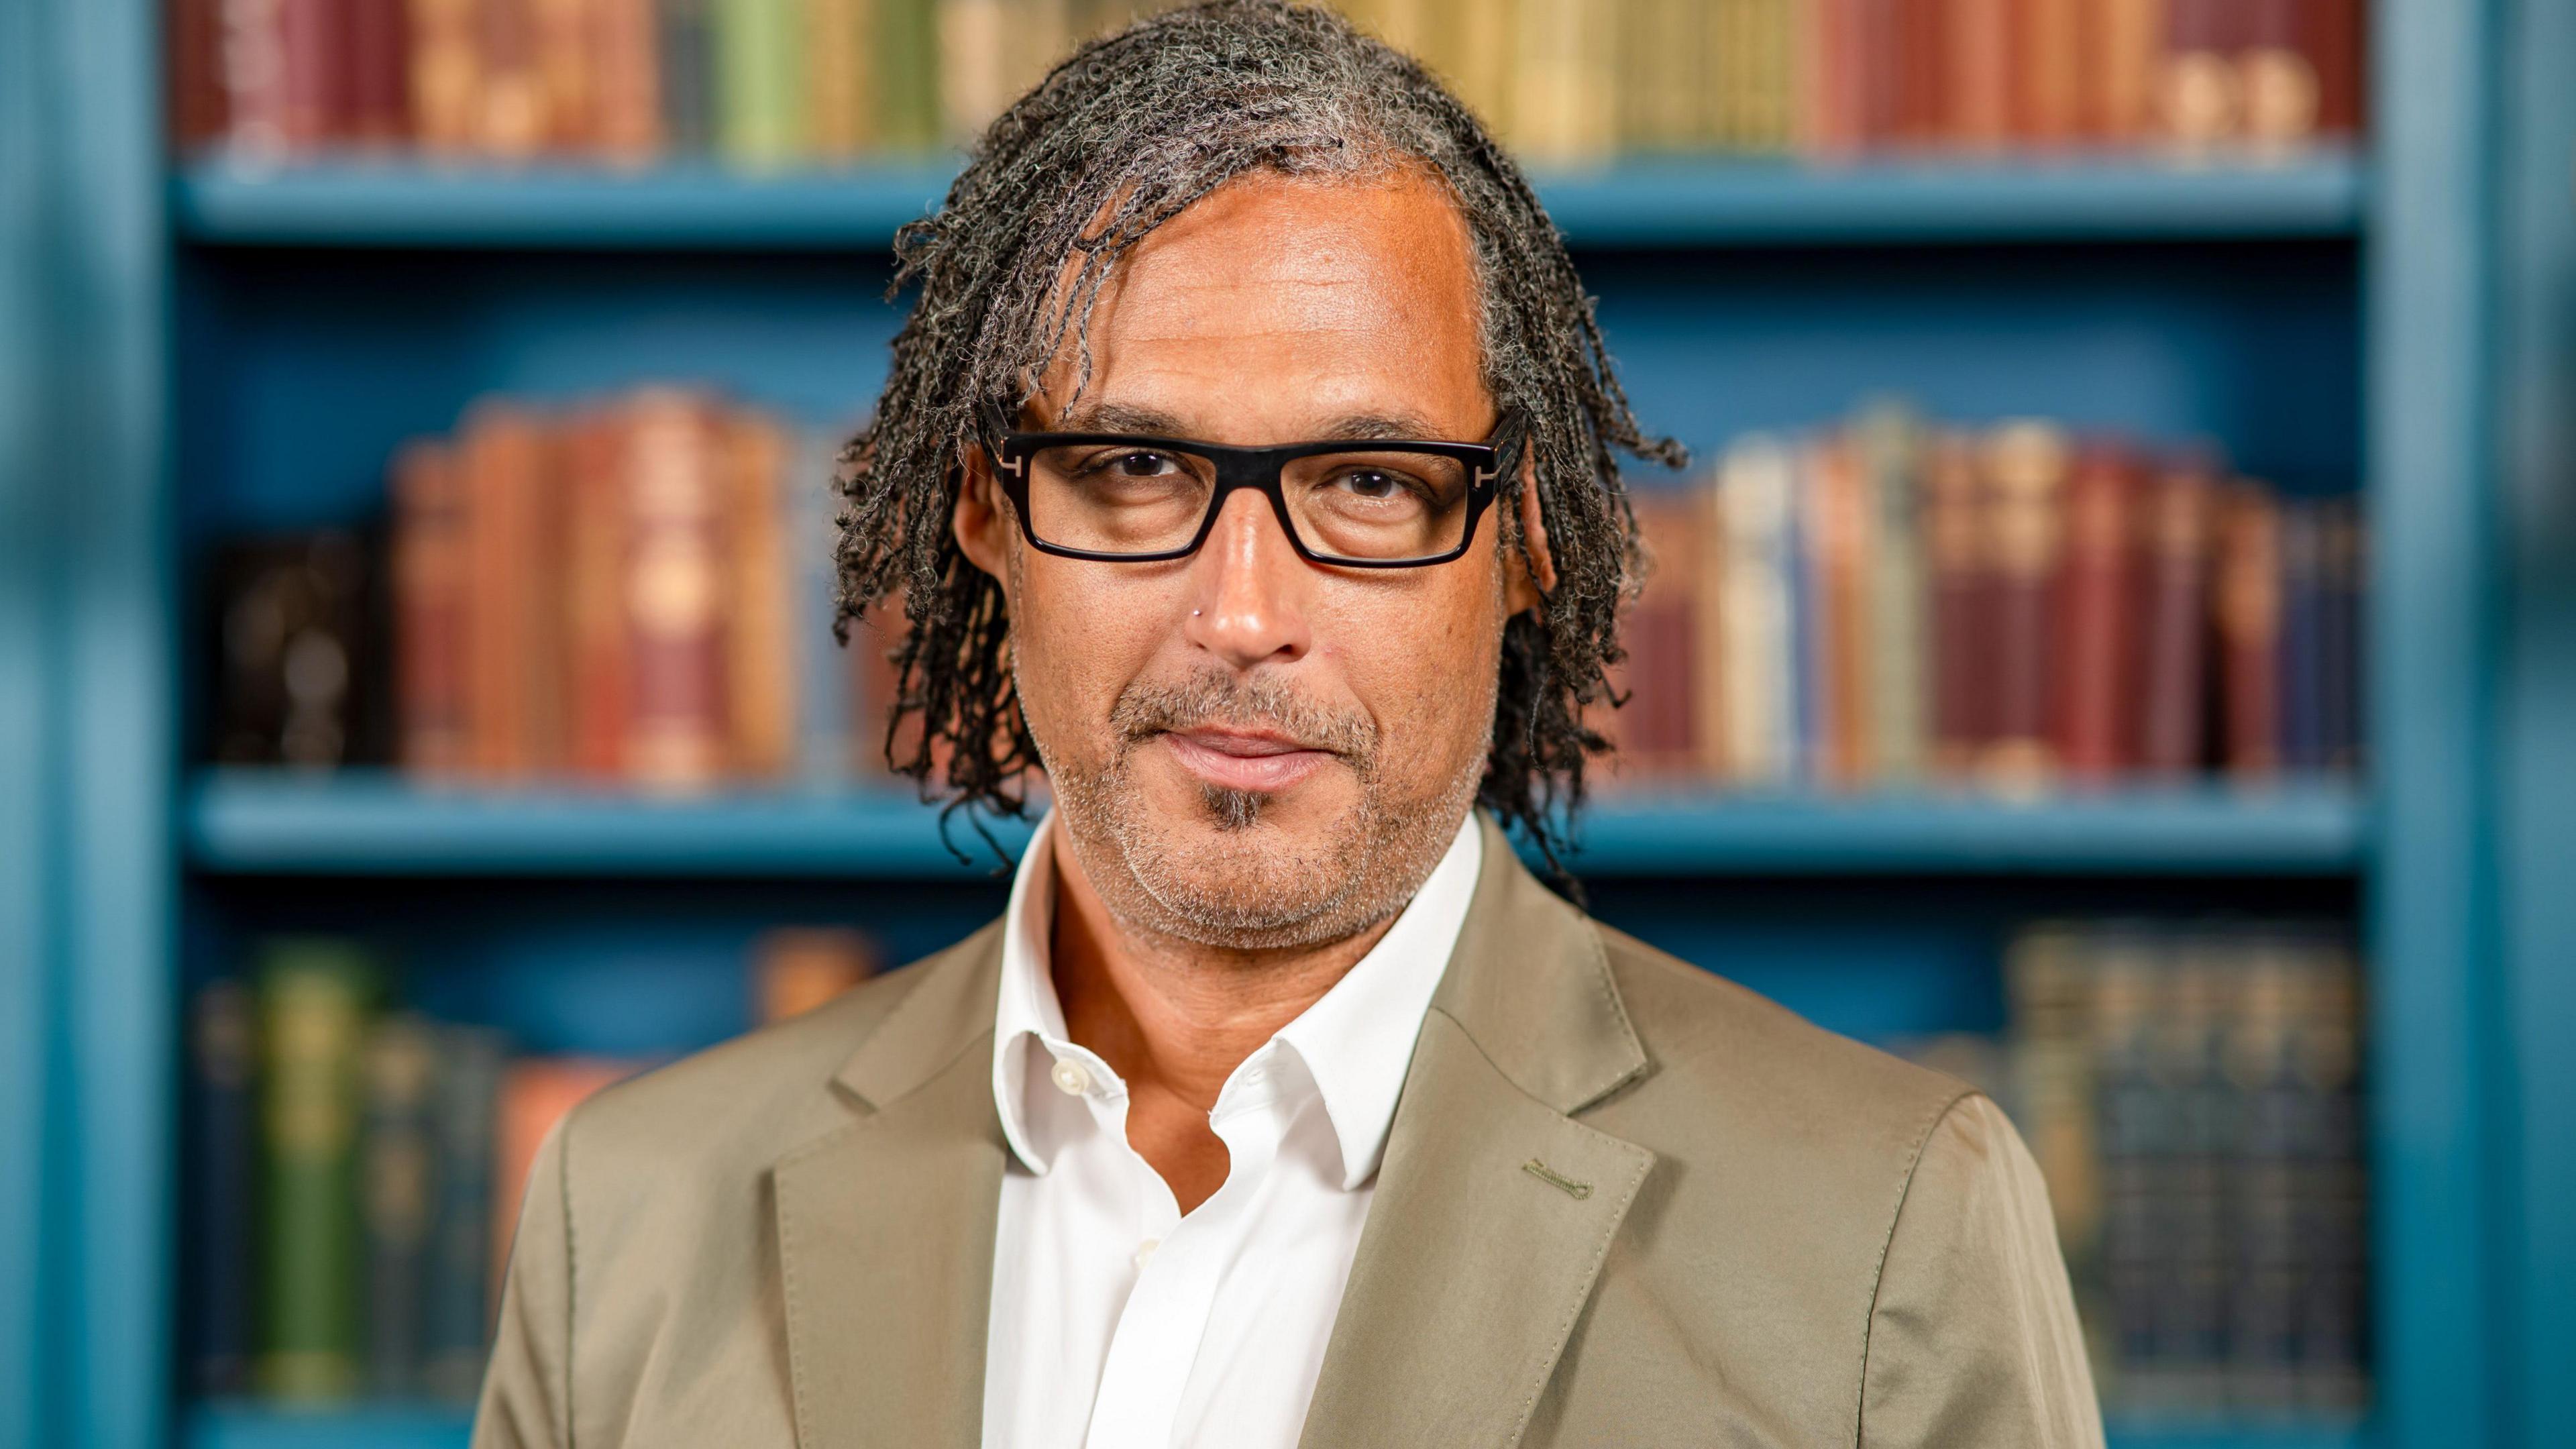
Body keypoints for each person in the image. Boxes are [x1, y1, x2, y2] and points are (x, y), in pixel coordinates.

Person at [472, 4, 2102, 1446]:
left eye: (1370, 482)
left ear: (1524, 540)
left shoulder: (1885, 1226)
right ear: (984, 510)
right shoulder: (631, 1212)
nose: (1244, 612)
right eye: (1133, 468)